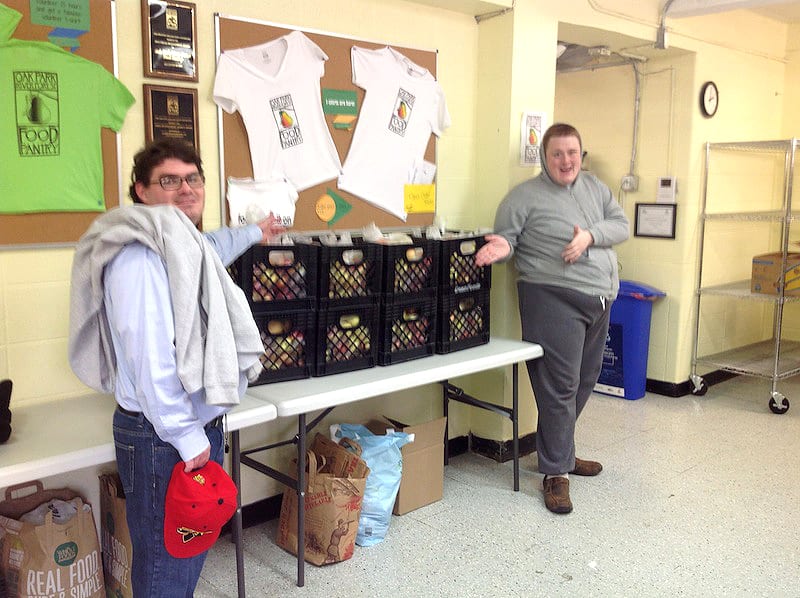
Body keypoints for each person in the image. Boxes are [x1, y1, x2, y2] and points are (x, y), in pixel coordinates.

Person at [68, 139, 283, 596]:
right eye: (169, 180)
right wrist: (187, 438)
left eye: (193, 178)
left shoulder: (180, 245)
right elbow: (151, 362)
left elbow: (213, 247)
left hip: (185, 432)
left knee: (184, 554)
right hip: (163, 436)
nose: (186, 189)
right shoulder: (137, 255)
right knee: (168, 564)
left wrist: (254, 232)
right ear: (141, 191)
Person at [475, 123, 629, 515]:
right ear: (545, 157)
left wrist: (590, 237)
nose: (566, 160)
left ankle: (560, 451)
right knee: (559, 386)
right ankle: (556, 473)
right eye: (557, 153)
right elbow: (509, 238)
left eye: (572, 153)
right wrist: (501, 247)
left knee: (585, 380)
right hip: (551, 296)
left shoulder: (595, 188)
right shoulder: (523, 197)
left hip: (600, 298)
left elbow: (621, 225)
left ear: (582, 154)